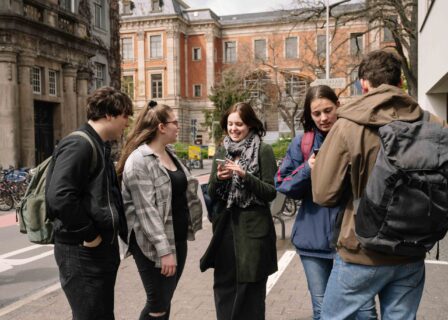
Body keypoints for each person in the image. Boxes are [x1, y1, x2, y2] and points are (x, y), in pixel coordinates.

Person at [312, 49, 447, 319]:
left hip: (362, 251)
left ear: (364, 84)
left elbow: (323, 194)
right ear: (400, 83)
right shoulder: (434, 123)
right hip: (413, 249)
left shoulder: (348, 124)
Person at [275, 85, 377, 320]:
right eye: (316, 113)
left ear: (338, 106)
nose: (323, 118)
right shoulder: (303, 143)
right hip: (313, 243)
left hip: (353, 241)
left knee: (364, 312)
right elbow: (283, 184)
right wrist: (308, 169)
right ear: (309, 115)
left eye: (328, 110)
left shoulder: (357, 136)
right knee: (322, 312)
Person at [46, 86, 133, 319]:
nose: (128, 121)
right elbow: (59, 196)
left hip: (97, 250)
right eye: (125, 115)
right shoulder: (80, 144)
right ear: (109, 114)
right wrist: (89, 234)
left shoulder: (98, 144)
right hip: (82, 251)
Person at [116, 101, 203, 320]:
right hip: (152, 245)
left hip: (177, 238)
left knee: (165, 300)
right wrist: (165, 251)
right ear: (161, 127)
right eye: (175, 122)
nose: (178, 126)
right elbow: (146, 211)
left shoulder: (170, 154)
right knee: (157, 305)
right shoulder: (138, 161)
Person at [201, 102, 278, 320]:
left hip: (253, 232)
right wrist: (219, 178)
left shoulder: (263, 150)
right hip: (225, 229)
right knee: (224, 287)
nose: (234, 129)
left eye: (239, 124)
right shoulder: (223, 150)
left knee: (250, 291)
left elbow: (270, 192)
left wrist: (245, 176)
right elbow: (213, 193)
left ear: (251, 125)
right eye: (230, 124)